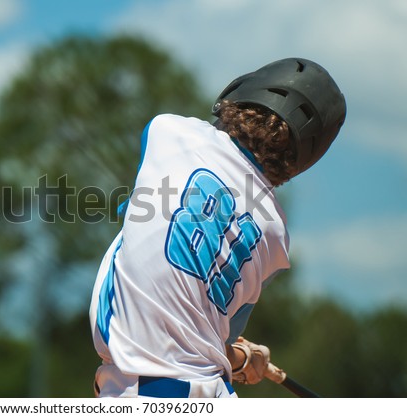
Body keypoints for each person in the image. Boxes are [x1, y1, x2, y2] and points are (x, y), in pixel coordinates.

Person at [89, 58, 346, 397]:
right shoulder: (276, 237)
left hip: (143, 394)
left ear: (238, 96)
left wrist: (239, 357)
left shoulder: (167, 132)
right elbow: (211, 342)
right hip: (209, 392)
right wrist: (241, 358)